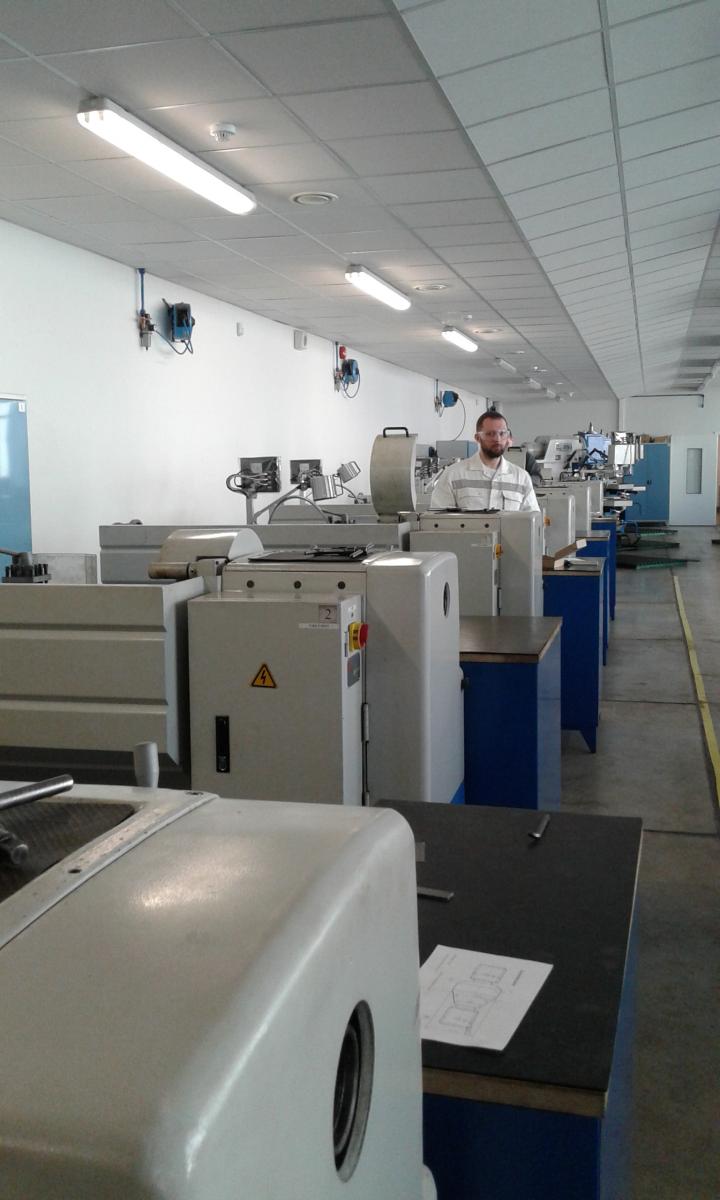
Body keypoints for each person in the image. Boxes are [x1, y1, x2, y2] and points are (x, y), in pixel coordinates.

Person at [430, 410, 539, 511]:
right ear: (477, 438)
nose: (497, 439)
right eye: (490, 434)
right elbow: (438, 519)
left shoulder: (521, 478)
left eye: (502, 433)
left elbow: (532, 520)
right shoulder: (453, 475)